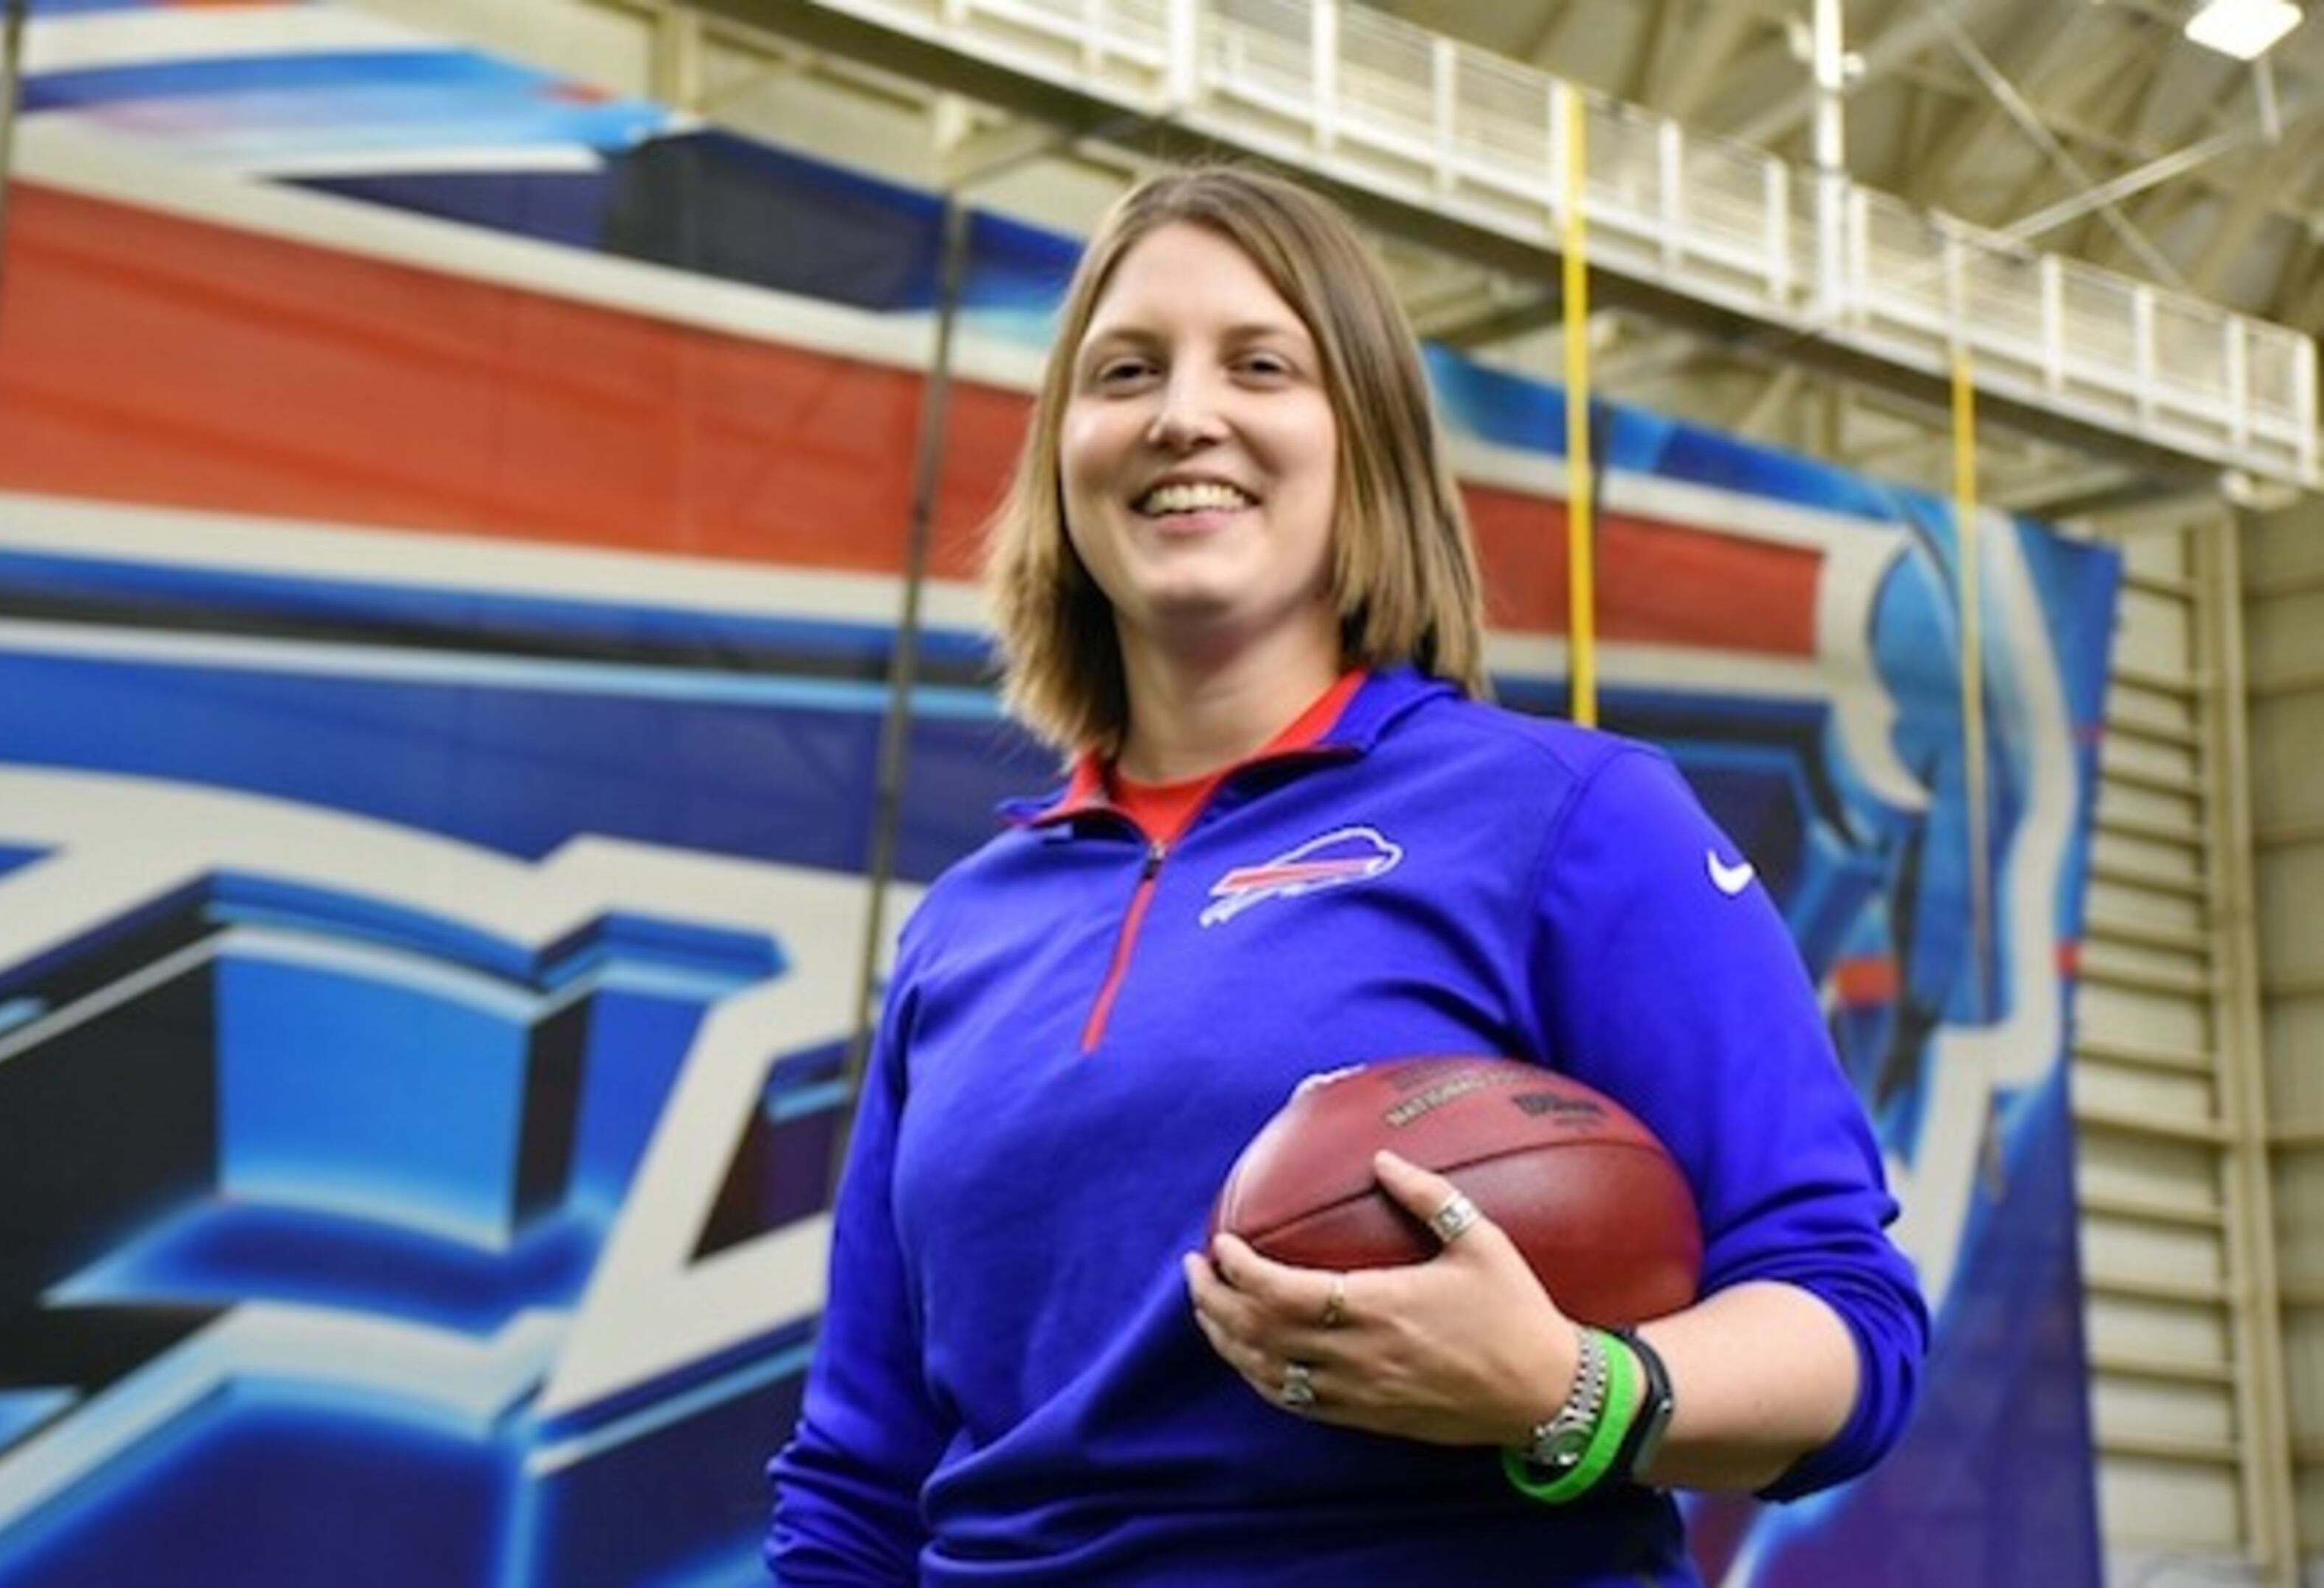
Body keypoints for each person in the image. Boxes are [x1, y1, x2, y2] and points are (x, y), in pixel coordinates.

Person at [765, 164, 1927, 1585]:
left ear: (1363, 445)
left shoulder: (1574, 817)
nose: (1184, 412)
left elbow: (1845, 1321)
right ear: (1064, 456)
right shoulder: (967, 929)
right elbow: (859, 1480)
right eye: (1125, 370)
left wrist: (1570, 1389)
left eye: (1261, 364)